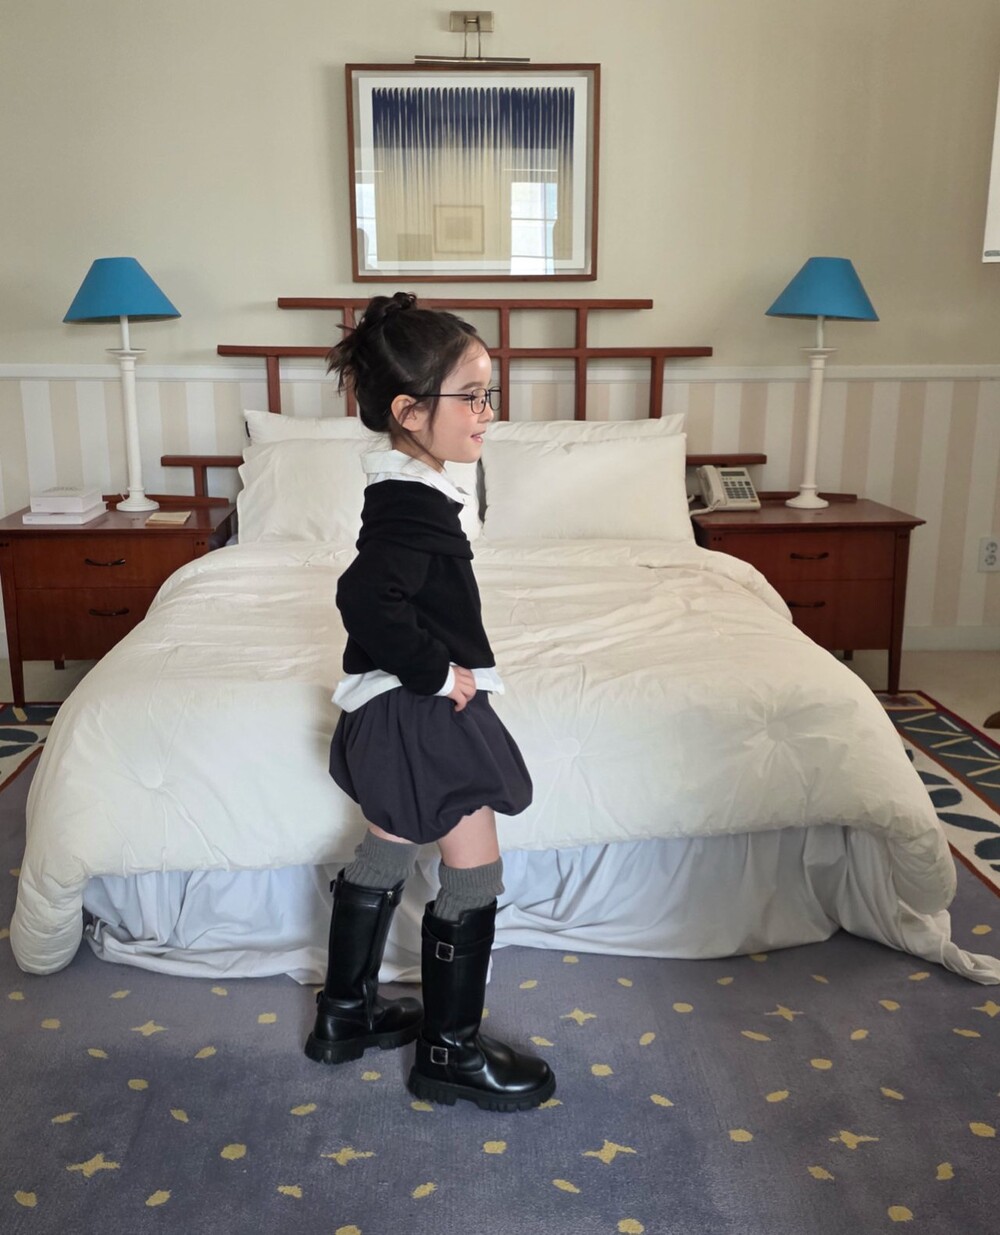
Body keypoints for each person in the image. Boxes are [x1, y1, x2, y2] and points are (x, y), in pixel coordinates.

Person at [305, 291, 555, 1112]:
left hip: (386, 710)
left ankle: (345, 1013)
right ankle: (449, 1051)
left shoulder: (408, 482)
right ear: (410, 412)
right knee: (473, 865)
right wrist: (436, 674)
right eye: (472, 397)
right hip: (420, 712)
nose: (489, 412)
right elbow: (365, 596)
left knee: (389, 839)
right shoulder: (413, 502)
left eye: (490, 393)